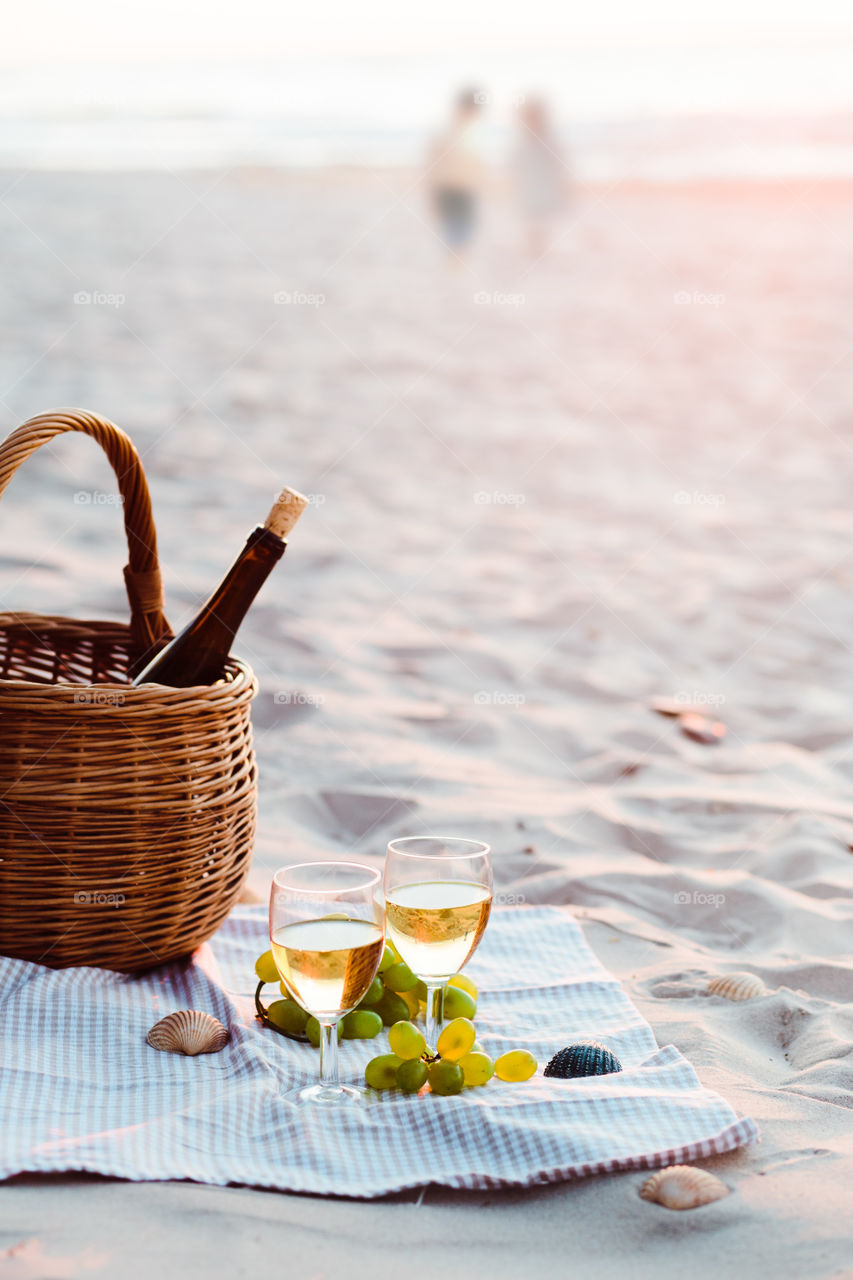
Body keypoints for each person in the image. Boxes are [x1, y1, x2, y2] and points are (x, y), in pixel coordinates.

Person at [427, 89, 487, 268]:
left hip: (466, 188)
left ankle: (458, 260)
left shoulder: (471, 132)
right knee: (453, 225)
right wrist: (431, 192)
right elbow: (433, 163)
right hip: (447, 187)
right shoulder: (446, 131)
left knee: (465, 225)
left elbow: (475, 162)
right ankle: (455, 261)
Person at [513, 96, 569, 259]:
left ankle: (539, 249)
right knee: (532, 221)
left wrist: (562, 187)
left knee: (541, 222)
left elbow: (559, 165)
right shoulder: (524, 141)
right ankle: (534, 249)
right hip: (530, 188)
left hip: (544, 187)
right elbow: (516, 165)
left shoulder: (548, 140)